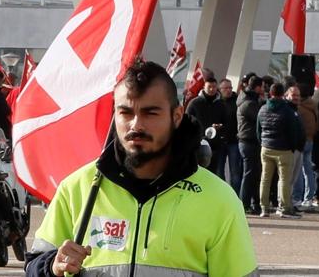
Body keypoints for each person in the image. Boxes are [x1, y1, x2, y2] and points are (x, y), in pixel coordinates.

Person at [26, 61, 256, 277]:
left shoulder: (219, 199)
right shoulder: (78, 188)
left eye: (150, 113)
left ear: (176, 116)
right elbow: (34, 264)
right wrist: (52, 266)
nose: (136, 124)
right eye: (125, 112)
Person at [258, 82, 303, 218]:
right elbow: (293, 132)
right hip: (284, 149)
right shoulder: (288, 111)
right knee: (284, 180)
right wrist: (292, 147)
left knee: (265, 179)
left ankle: (264, 208)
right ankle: (284, 208)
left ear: (270, 93)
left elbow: (258, 130)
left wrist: (263, 143)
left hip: (266, 147)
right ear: (283, 94)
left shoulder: (263, 109)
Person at [186, 74, 228, 176]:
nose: (212, 89)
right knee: (196, 172)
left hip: (215, 145)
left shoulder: (221, 104)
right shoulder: (195, 103)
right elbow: (187, 121)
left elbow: (226, 122)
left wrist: (220, 127)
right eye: (209, 87)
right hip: (198, 144)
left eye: (214, 87)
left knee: (212, 174)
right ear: (204, 87)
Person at [237, 75, 265, 214]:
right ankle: (244, 204)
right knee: (249, 175)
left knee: (253, 174)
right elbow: (260, 119)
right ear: (258, 87)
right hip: (249, 141)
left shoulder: (247, 99)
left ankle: (253, 203)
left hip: (248, 141)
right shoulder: (249, 103)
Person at [291, 84, 319, 207]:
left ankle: (297, 197)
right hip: (311, 139)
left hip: (300, 142)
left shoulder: (298, 109)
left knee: (297, 171)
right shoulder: (313, 105)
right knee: (308, 170)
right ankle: (309, 197)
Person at [217, 77, 243, 193]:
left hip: (234, 141)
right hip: (220, 141)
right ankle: (222, 194)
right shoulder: (217, 102)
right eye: (225, 88)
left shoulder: (237, 102)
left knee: (235, 172)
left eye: (230, 87)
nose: (228, 90)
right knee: (219, 171)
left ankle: (235, 196)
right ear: (220, 89)